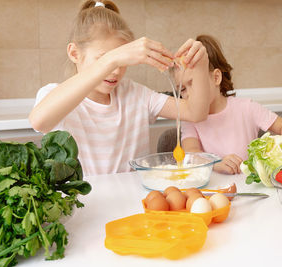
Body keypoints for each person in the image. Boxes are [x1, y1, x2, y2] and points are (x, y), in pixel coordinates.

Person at [29, 0, 210, 176]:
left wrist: (201, 65)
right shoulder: (56, 95)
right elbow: (39, 121)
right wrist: (114, 58)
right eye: (104, 59)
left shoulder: (135, 94)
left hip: (132, 200)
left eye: (122, 62)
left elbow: (196, 113)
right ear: (74, 53)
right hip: (83, 203)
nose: (115, 71)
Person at [179, 35, 282, 175]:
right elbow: (190, 153)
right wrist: (215, 163)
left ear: (216, 78)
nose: (187, 95)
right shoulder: (189, 118)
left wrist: (279, 154)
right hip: (213, 191)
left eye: (193, 83)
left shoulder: (247, 108)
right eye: (182, 89)